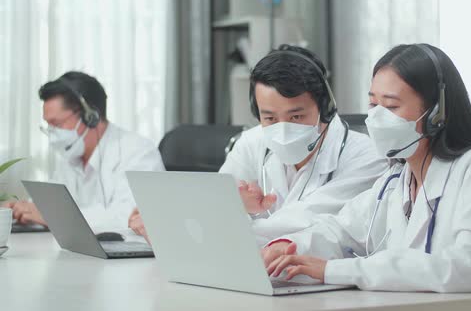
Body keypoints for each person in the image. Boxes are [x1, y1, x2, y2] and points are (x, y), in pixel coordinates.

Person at [262, 44, 471, 310]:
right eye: (374, 105)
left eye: (390, 106)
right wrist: (287, 248)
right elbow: (340, 231)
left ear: (436, 112)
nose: (376, 118)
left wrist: (334, 270)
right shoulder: (397, 179)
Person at [129, 44, 388, 245]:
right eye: (270, 118)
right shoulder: (253, 142)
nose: (283, 128)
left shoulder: (366, 157)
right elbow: (211, 204)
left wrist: (195, 227)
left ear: (326, 108)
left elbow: (299, 224)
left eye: (296, 116)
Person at [3, 71, 164, 231]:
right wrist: (21, 210)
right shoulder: (72, 155)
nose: (52, 134)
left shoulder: (138, 151)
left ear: (90, 116)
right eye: (48, 126)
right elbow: (48, 205)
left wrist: (55, 217)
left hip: (130, 255)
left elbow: (130, 217)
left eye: (57, 124)